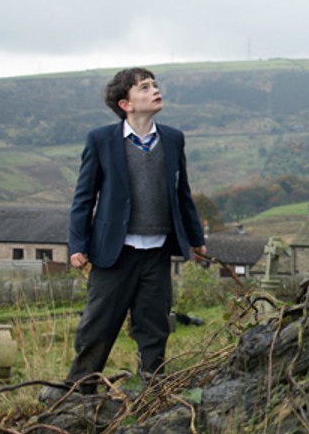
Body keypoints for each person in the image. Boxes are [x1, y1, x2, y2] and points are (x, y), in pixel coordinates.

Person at [61, 67, 207, 394]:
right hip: (114, 253)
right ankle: (77, 395)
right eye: (144, 87)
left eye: (155, 84)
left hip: (157, 252)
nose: (155, 90)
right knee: (97, 328)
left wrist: (196, 239)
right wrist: (77, 244)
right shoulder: (101, 140)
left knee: (154, 327)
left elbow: (182, 192)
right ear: (125, 104)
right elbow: (84, 197)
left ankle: (151, 394)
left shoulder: (173, 138)